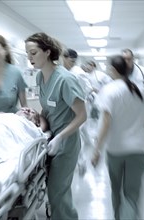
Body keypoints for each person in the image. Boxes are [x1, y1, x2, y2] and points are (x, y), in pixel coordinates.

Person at [25, 32, 87, 220]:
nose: (30, 58)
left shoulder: (66, 80)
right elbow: (48, 108)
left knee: (57, 193)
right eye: (27, 54)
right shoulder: (39, 78)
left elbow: (82, 116)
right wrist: (38, 118)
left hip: (66, 144)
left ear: (47, 52)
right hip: (50, 140)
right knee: (55, 194)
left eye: (33, 53)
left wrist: (60, 137)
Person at [91, 55, 144, 220]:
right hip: (140, 149)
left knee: (117, 191)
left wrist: (96, 150)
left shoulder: (109, 90)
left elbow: (105, 123)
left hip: (116, 150)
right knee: (132, 194)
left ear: (113, 70)